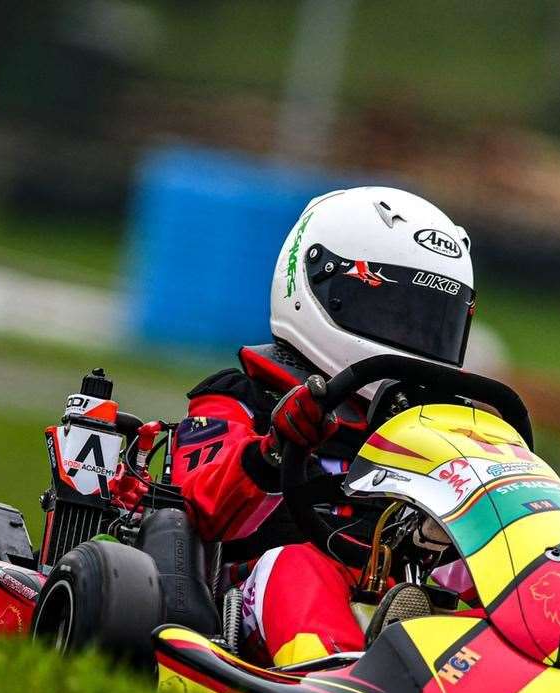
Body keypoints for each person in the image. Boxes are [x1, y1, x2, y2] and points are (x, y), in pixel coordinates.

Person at [117, 187, 477, 666]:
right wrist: (272, 450)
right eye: (397, 315)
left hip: (394, 604)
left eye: (430, 324)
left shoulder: (428, 428)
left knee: (504, 598)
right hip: (244, 601)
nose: (414, 339)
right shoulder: (244, 398)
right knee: (299, 565)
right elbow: (195, 510)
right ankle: (336, 683)